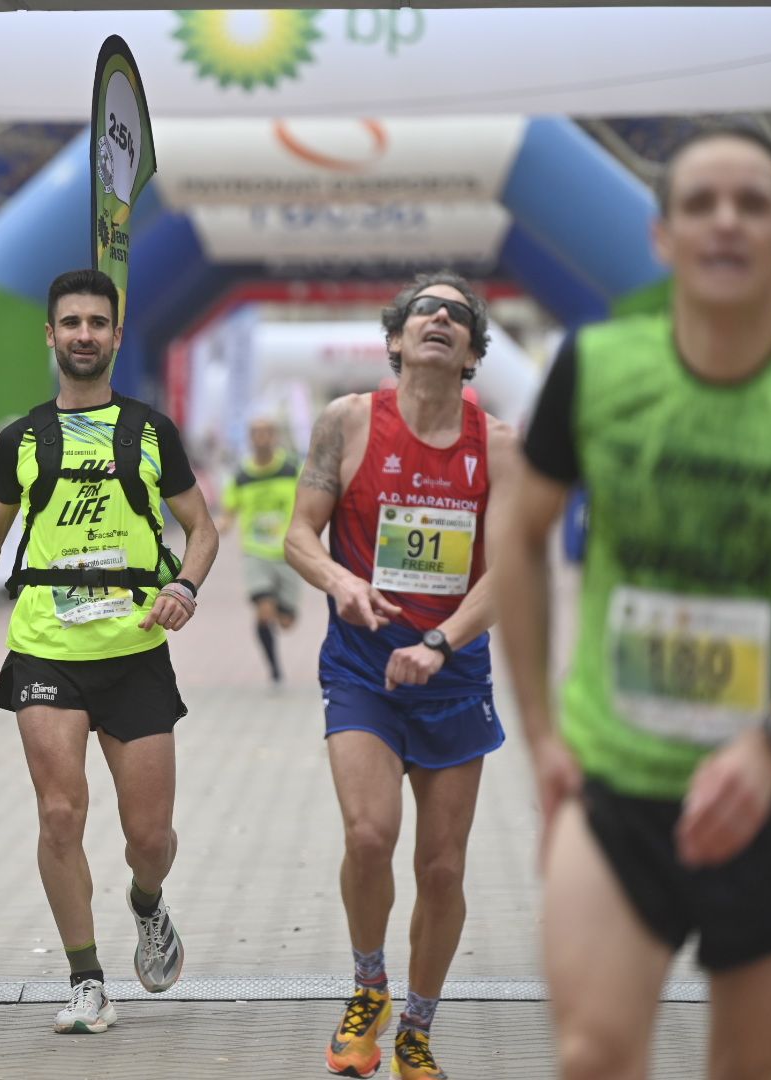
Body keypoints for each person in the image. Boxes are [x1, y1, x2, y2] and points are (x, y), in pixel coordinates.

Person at [493, 125, 771, 1080]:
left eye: (754, 203)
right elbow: (519, 533)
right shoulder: (599, 369)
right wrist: (539, 731)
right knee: (593, 1054)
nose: (726, 221)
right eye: (701, 203)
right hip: (614, 781)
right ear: (662, 238)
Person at [0, 268, 218, 1034]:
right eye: (71, 323)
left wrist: (184, 587)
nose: (84, 334)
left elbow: (203, 527)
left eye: (98, 322)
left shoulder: (153, 432)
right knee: (60, 815)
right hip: (45, 647)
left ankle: (147, 902)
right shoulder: (20, 438)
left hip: (135, 648)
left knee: (149, 838)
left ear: (117, 336)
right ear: (50, 335)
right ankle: (86, 978)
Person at [285, 271, 517, 1079]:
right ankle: (369, 988)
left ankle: (417, 1026)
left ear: (472, 353)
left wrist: (444, 643)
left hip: (451, 675)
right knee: (368, 834)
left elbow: (510, 569)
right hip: (363, 669)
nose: (441, 319)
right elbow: (298, 538)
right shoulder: (346, 423)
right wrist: (340, 582)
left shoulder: (502, 445)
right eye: (426, 309)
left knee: (443, 867)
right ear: (395, 339)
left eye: (459, 315)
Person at [218, 416, 304, 684]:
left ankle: (280, 605)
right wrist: (223, 524)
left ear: (276, 436)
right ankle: (274, 668)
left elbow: (311, 500)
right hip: (256, 553)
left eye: (267, 433)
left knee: (287, 622)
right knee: (264, 611)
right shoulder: (241, 476)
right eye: (256, 433)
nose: (262, 438)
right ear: (249, 438)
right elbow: (229, 511)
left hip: (288, 553)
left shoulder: (292, 469)